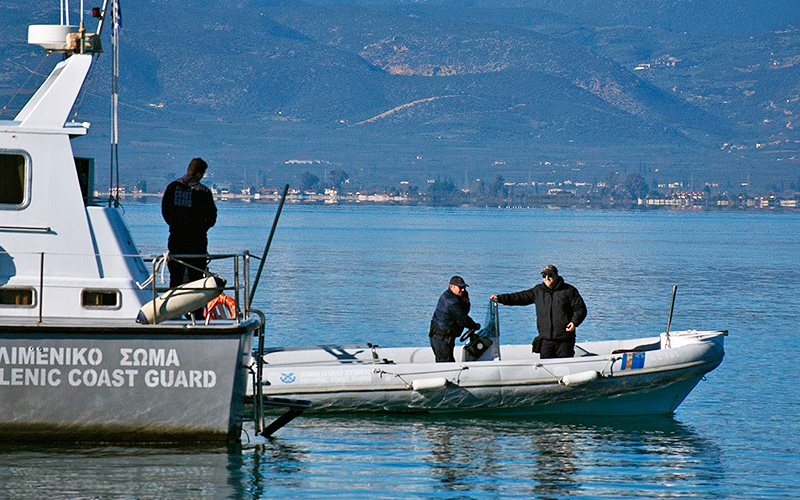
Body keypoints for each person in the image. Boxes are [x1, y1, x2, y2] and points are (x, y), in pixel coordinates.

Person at [491, 265, 586, 359]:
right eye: (544, 276)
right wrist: (500, 298)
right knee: (546, 366)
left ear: (556, 275)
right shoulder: (538, 291)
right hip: (546, 339)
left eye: (550, 275)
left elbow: (580, 309)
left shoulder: (569, 290)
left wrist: (574, 322)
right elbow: (520, 297)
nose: (547, 278)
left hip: (565, 339)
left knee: (565, 366)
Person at [161, 158, 217, 289]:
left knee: (175, 278)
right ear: (199, 173)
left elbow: (165, 211)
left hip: (176, 239)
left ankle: (173, 307)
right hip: (196, 242)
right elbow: (212, 217)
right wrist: (201, 229)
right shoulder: (203, 191)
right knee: (196, 280)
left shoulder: (172, 187)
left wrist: (174, 225)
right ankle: (196, 309)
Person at [430, 275, 481, 362]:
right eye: (460, 287)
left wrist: (465, 300)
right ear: (451, 286)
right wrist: (474, 326)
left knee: (446, 359)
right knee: (446, 362)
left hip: (440, 335)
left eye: (464, 287)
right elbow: (463, 319)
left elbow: (463, 313)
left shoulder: (449, 296)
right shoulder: (452, 301)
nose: (463, 290)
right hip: (442, 337)